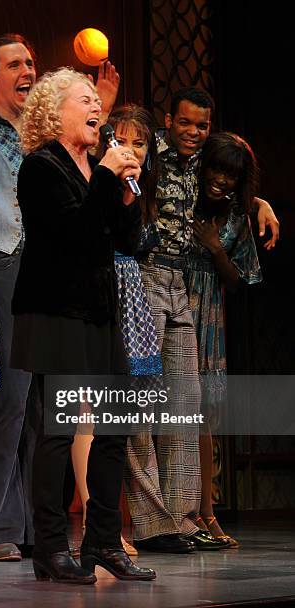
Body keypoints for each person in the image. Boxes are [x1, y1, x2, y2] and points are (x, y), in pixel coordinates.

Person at [0, 33, 120, 561]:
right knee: (10, 402)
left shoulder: (63, 149)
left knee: (45, 412)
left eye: (32, 62)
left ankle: (40, 528)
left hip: (63, 277)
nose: (27, 70)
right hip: (7, 263)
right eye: (15, 64)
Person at [11, 67, 156, 584]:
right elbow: (71, 235)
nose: (98, 107)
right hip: (55, 312)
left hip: (98, 311)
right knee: (58, 433)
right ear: (55, 112)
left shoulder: (97, 168)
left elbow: (124, 239)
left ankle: (103, 543)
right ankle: (50, 547)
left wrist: (125, 191)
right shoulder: (40, 167)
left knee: (115, 429)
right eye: (86, 99)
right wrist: (103, 180)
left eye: (98, 99)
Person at [133, 87, 278, 553]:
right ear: (169, 120)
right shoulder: (149, 148)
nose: (193, 133)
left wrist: (258, 203)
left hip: (193, 294)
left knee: (190, 408)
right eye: (185, 123)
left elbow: (231, 178)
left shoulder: (207, 167)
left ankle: (187, 516)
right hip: (148, 274)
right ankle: (145, 519)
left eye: (202, 125)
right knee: (141, 402)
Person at [70, 104, 162, 558]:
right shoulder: (94, 174)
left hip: (129, 291)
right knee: (87, 409)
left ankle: (110, 520)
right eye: (121, 141)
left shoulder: (137, 186)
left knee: (119, 413)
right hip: (98, 289)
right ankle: (92, 516)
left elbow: (131, 239)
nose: (132, 150)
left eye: (140, 143)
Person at [186, 132, 262, 547]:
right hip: (171, 301)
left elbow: (242, 280)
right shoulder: (183, 198)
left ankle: (206, 513)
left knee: (201, 418)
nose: (221, 180)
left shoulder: (236, 217)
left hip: (209, 314)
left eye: (231, 175)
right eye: (216, 169)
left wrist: (216, 250)